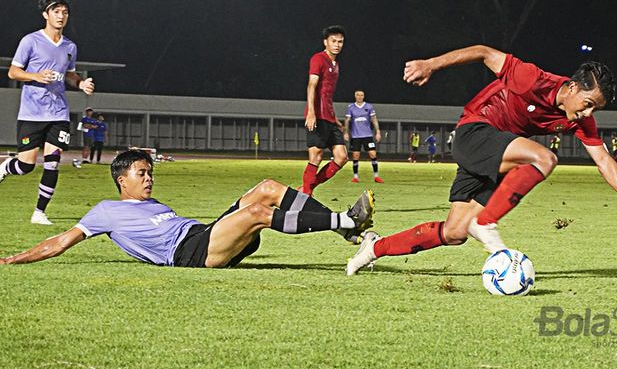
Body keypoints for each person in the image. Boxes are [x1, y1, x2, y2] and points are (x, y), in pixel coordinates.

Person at [346, 44, 617, 275]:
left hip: (496, 153)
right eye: (586, 103)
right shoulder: (533, 78)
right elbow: (484, 52)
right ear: (571, 87)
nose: (587, 113)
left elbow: (603, 160)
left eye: (594, 109)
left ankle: (374, 248)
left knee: (455, 232)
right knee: (544, 158)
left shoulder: (578, 119)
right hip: (475, 132)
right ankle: (486, 222)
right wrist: (431, 64)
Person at [0, 149, 375, 267]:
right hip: (190, 254)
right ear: (122, 180)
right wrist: (13, 259)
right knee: (257, 214)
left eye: (150, 173)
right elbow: (60, 241)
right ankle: (345, 220)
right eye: (141, 174)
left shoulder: (155, 204)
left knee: (268, 189)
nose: (149, 180)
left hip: (203, 234)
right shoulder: (104, 211)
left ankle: (342, 227)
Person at [0, 0, 96, 225]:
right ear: (46, 15)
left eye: (64, 12)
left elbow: (70, 74)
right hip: (32, 113)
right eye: (56, 11)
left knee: (53, 162)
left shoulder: (70, 46)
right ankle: (5, 167)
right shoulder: (30, 41)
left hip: (58, 113)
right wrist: (36, 76)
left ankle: (39, 213)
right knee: (26, 166)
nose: (61, 16)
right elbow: (13, 72)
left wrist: (80, 83)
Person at [300, 26, 348, 196]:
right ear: (325, 42)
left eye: (340, 41)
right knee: (316, 156)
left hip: (329, 117)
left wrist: (335, 119)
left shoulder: (335, 64)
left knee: (342, 157)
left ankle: (308, 188)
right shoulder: (318, 59)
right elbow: (312, 85)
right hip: (317, 116)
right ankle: (306, 195)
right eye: (333, 41)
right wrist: (311, 112)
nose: (337, 45)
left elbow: (327, 94)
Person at [344, 90, 384, 183]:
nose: (359, 96)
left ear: (364, 96)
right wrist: (345, 132)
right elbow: (347, 120)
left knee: (373, 154)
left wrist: (378, 132)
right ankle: (355, 177)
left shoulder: (369, 106)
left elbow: (374, 119)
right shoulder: (351, 107)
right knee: (355, 156)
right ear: (355, 96)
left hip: (368, 135)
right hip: (356, 136)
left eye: (361, 95)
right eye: (358, 95)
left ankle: (376, 176)